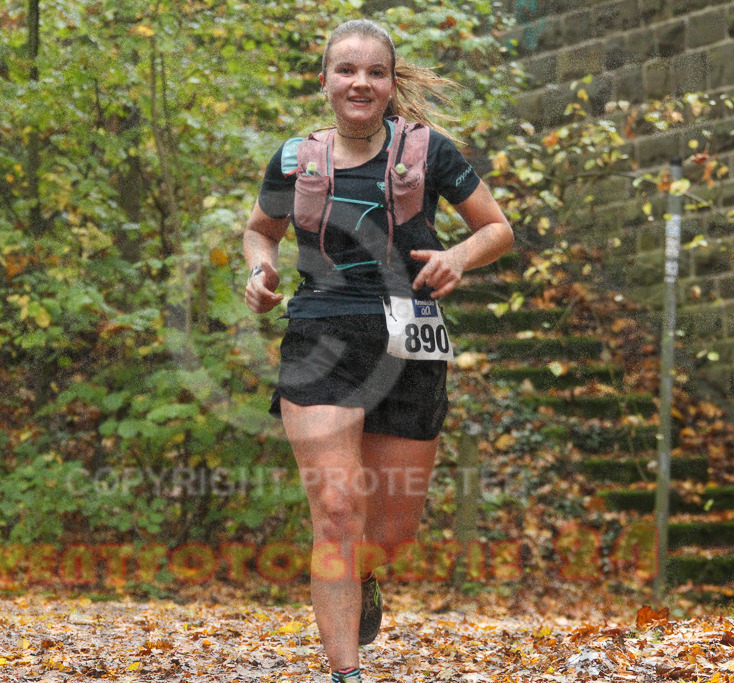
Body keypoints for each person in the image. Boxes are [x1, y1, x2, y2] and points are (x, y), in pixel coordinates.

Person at [243, 18, 513, 683]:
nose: (360, 82)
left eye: (375, 71)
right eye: (347, 70)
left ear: (391, 83)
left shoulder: (430, 152)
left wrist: (456, 256)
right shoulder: (292, 159)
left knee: (389, 532)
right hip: (321, 332)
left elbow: (497, 229)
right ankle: (346, 672)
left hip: (410, 329)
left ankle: (364, 576)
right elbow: (259, 231)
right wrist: (259, 271)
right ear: (326, 80)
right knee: (336, 511)